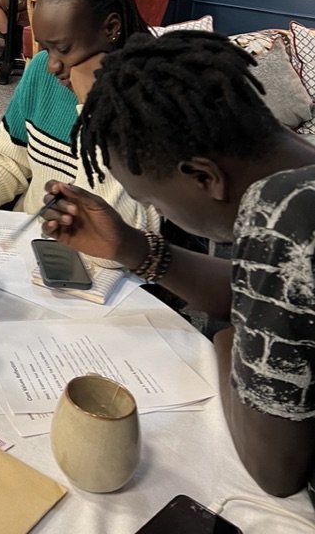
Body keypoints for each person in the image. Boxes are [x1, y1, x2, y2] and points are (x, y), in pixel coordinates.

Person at [41, 31, 315, 499]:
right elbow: (263, 291)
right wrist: (133, 247)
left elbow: (274, 471)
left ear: (204, 176)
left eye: (153, 201)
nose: (156, 210)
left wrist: (227, 338)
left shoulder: (282, 212)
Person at [0, 0, 159, 233]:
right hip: (27, 243)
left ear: (111, 28)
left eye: (63, 49)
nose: (51, 65)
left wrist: (95, 107)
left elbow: (126, 230)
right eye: (45, 47)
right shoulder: (41, 70)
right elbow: (11, 160)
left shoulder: (153, 99)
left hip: (101, 256)